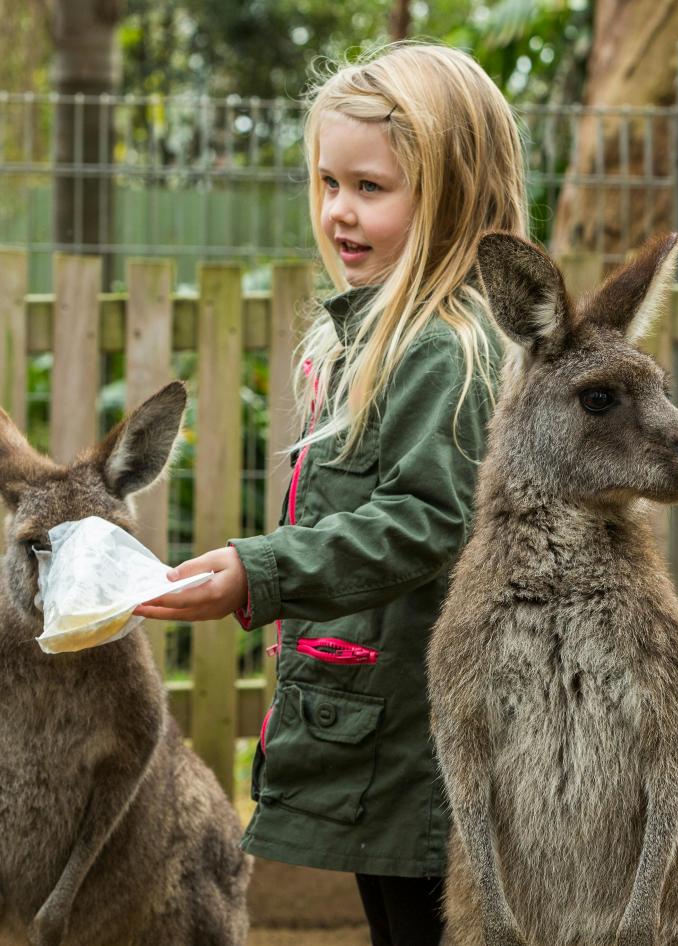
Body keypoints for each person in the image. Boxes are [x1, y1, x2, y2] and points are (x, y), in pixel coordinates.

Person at [134, 40, 528, 946]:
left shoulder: (446, 352)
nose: (338, 213)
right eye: (326, 182)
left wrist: (256, 571)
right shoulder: (369, 335)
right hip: (374, 727)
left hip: (419, 746)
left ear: (455, 191)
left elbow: (429, 520)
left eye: (370, 188)